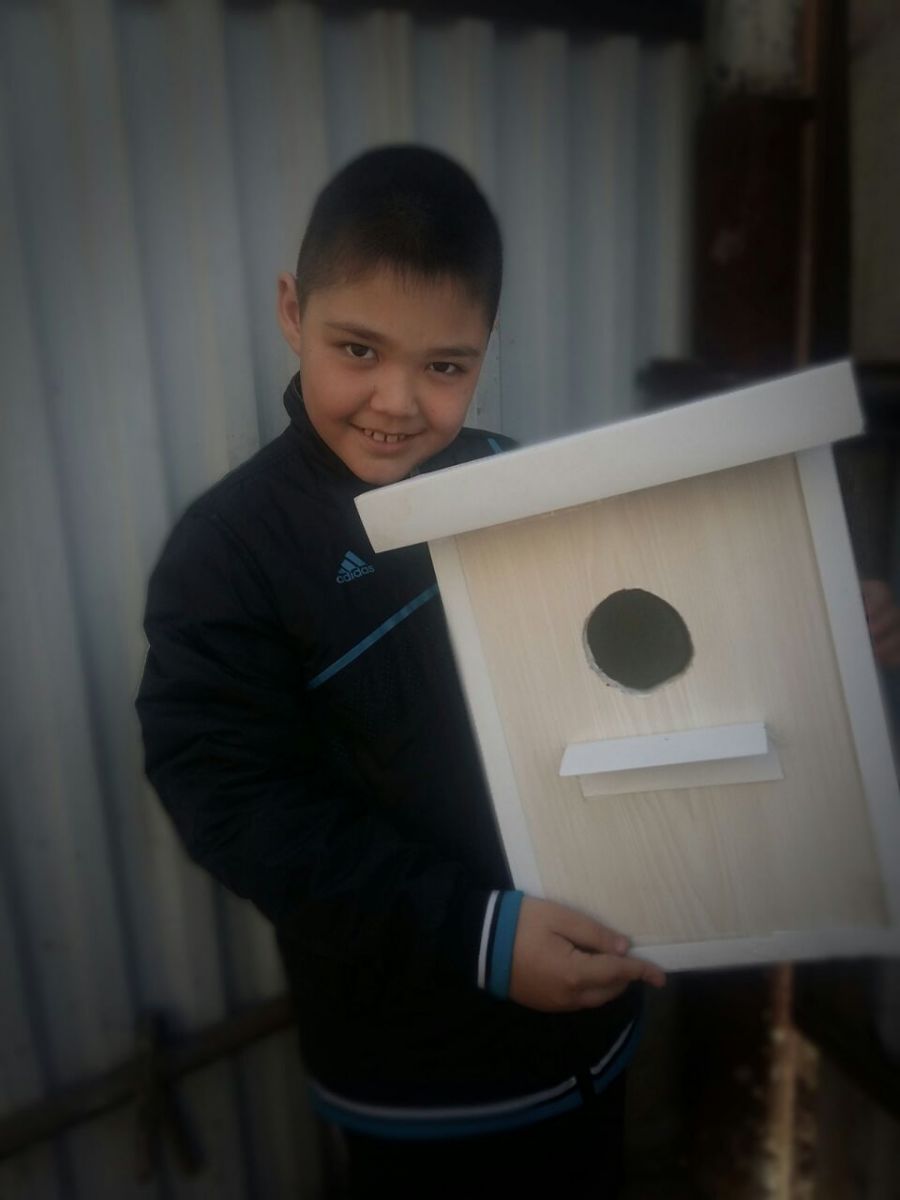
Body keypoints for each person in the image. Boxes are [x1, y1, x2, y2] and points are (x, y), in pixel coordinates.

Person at [135, 144, 665, 1198]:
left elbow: (629, 628)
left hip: (594, 1029)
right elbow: (236, 804)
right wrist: (477, 933)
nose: (398, 401)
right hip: (421, 1086)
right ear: (293, 312)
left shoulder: (516, 480)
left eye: (444, 366)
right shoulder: (230, 553)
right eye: (358, 349)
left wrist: (815, 614)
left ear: (485, 350)